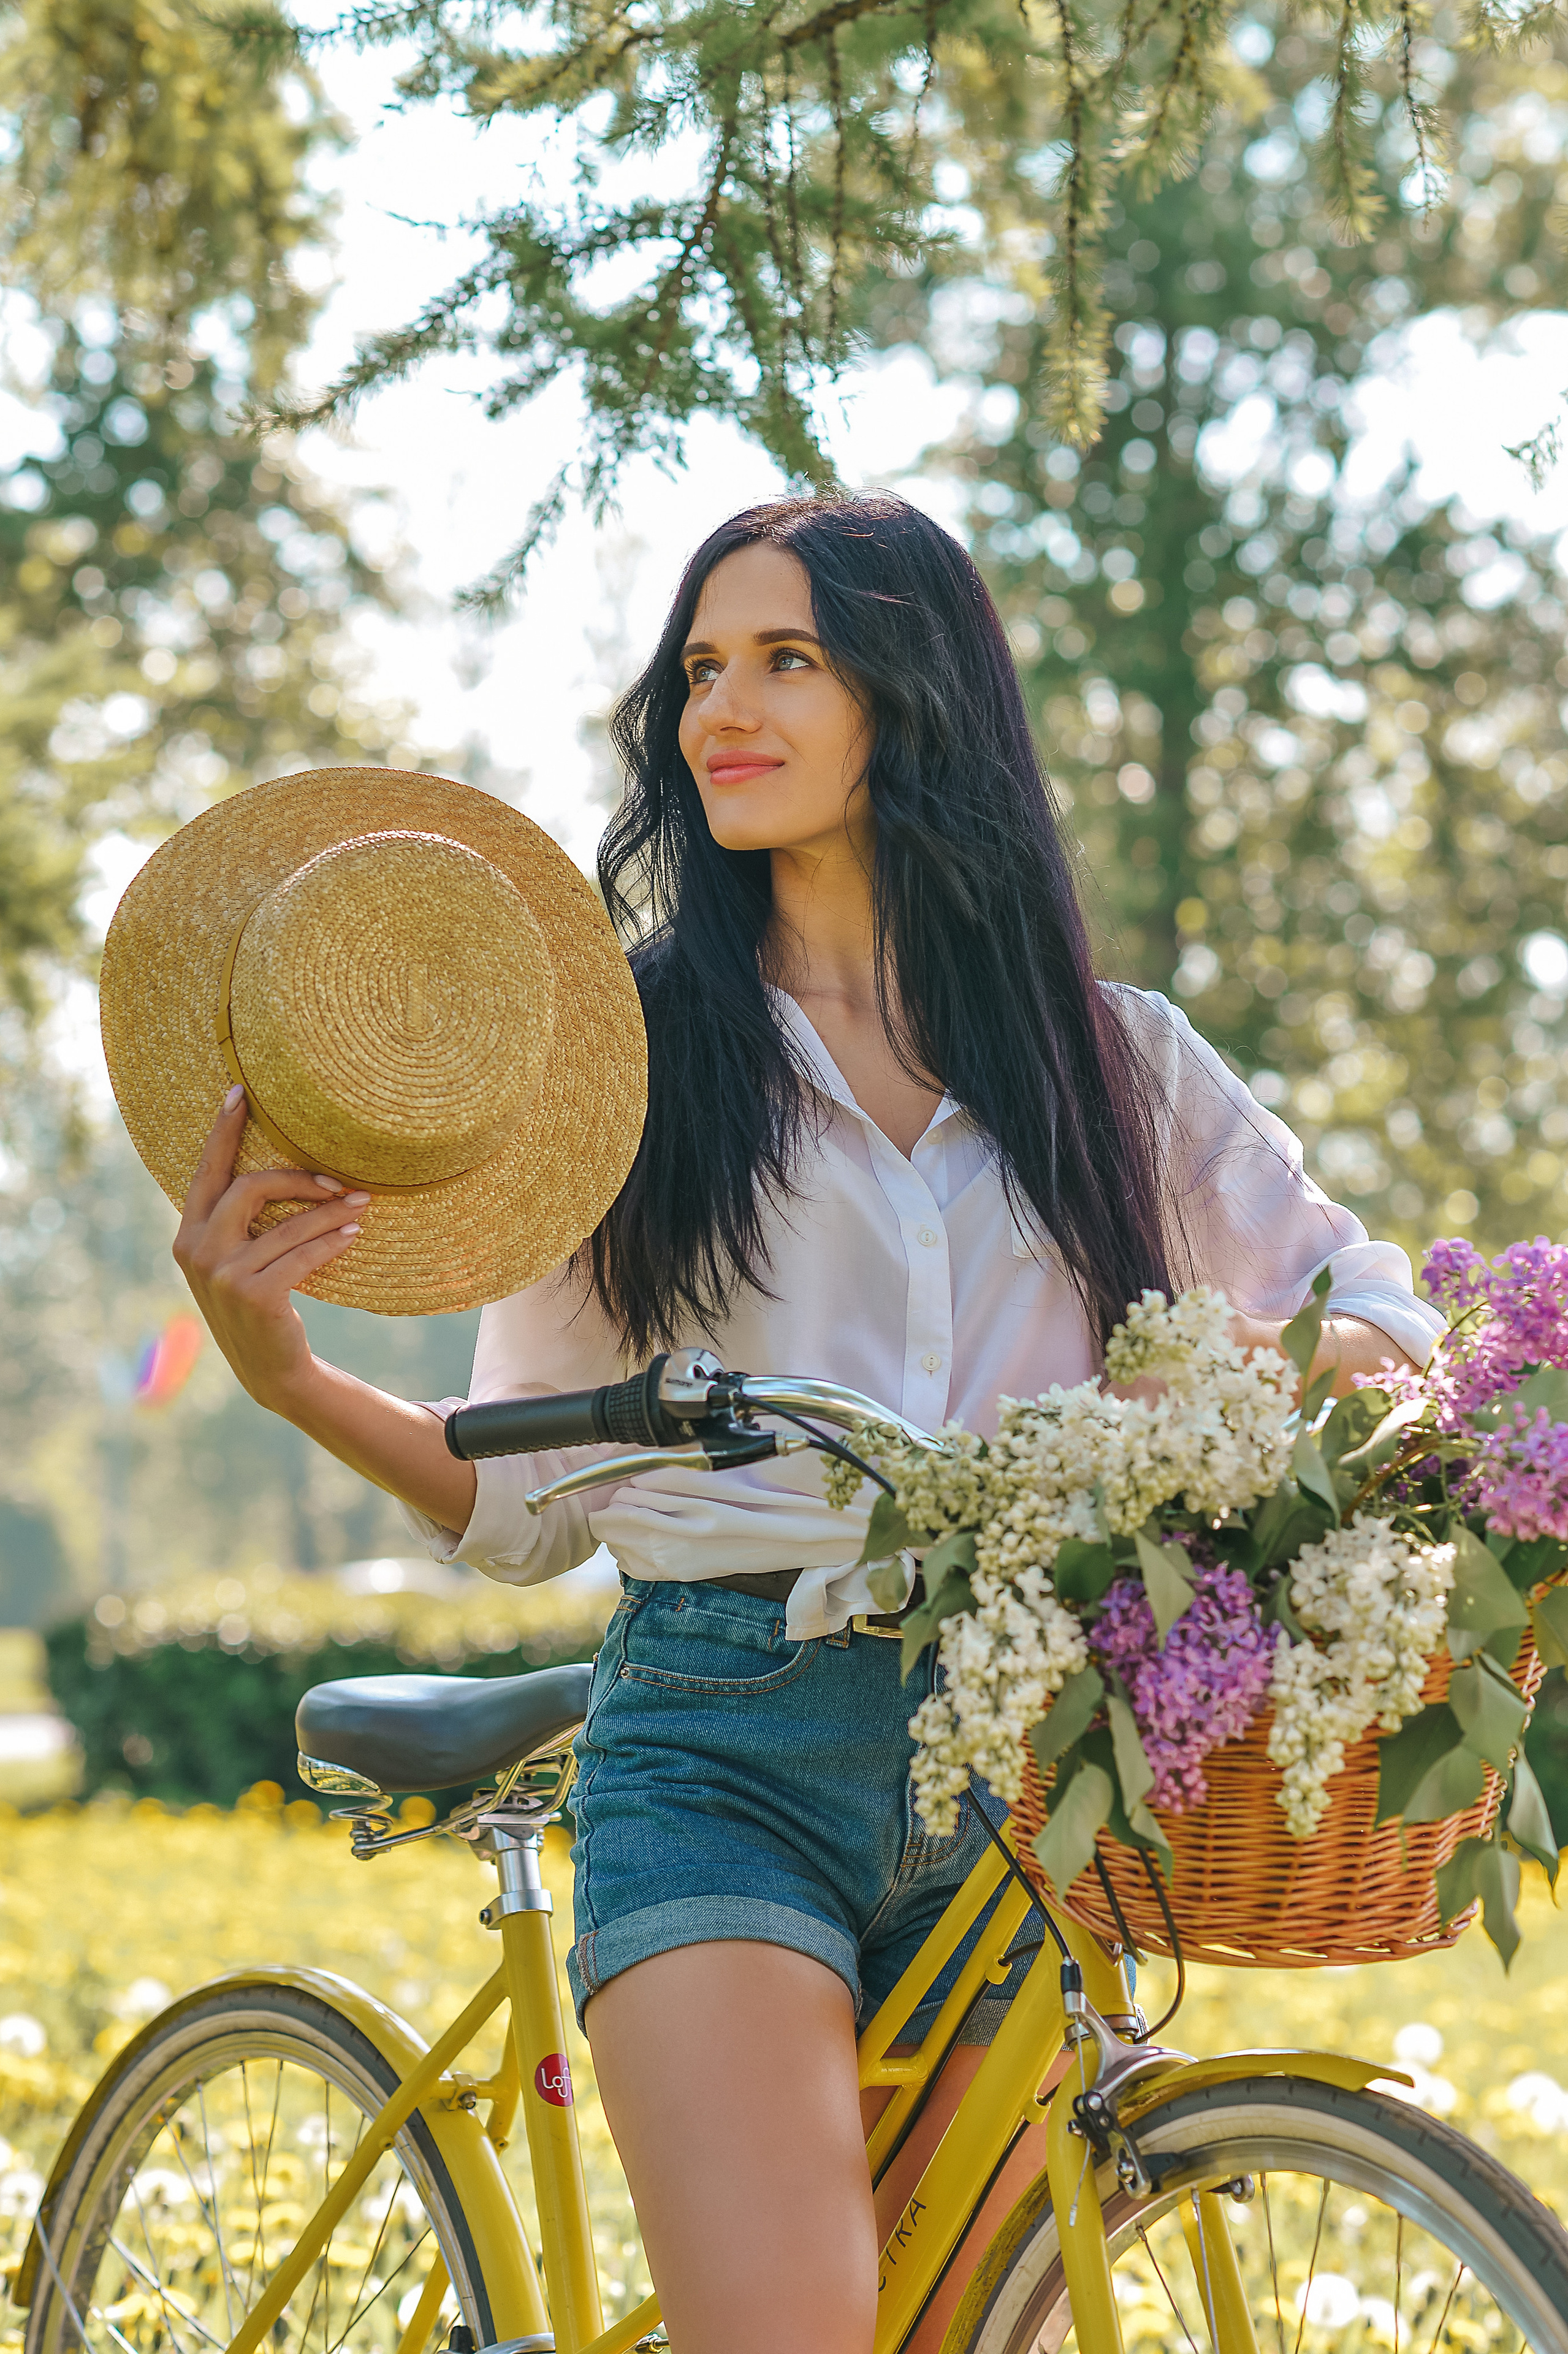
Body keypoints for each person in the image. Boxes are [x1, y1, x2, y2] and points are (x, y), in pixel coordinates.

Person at [175, 492, 1444, 2354]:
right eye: (702, 666)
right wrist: (281, 1364)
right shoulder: (623, 1060)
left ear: (912, 696)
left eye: (788, 659)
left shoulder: (1115, 1060)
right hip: (723, 1745)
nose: (724, 709)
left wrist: (1239, 1395)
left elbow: (1377, 1318)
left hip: (1029, 1764)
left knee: (972, 2328)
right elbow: (524, 1490)